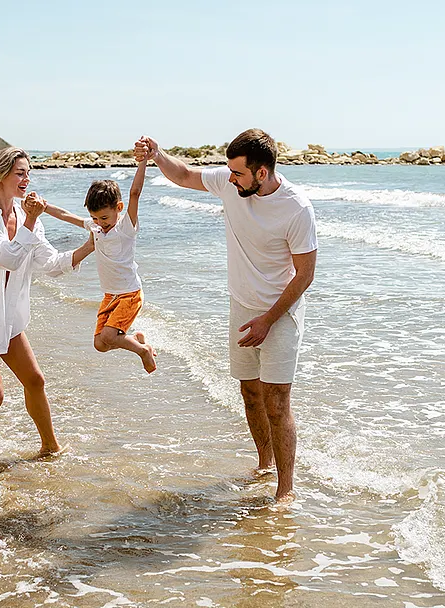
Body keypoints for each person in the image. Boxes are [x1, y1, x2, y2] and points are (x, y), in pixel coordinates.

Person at [134, 129, 317, 506]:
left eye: (238, 173)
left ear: (261, 173)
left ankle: (285, 489)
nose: (230, 179)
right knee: (250, 392)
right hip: (241, 306)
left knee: (277, 400)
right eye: (230, 172)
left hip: (280, 313)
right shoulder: (231, 183)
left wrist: (268, 319)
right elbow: (184, 175)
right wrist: (157, 153)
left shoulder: (296, 208)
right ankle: (264, 463)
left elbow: (305, 276)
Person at [0, 146, 95, 495]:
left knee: (35, 380)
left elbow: (51, 264)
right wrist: (29, 220)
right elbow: (7, 258)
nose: (27, 180)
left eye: (29, 173)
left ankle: (50, 447)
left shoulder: (27, 216)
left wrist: (91, 245)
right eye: (20, 173)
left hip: (6, 312)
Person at [42, 156, 157, 373]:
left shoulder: (125, 228)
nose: (99, 223)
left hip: (129, 294)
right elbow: (67, 216)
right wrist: (44, 207)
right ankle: (136, 340)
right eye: (94, 218)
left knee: (108, 336)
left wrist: (142, 161)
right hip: (109, 295)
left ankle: (143, 351)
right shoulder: (95, 228)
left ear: (118, 208)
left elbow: (135, 193)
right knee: (100, 344)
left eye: (104, 218)